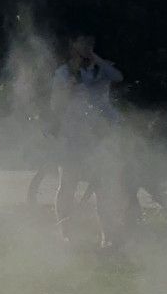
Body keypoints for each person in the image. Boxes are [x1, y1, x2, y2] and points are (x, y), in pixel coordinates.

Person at [52, 34, 122, 246]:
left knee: (102, 186)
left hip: (100, 135)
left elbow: (118, 77)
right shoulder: (64, 72)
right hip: (73, 135)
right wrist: (68, 90)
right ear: (72, 46)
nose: (86, 48)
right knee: (68, 184)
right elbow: (56, 103)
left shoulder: (102, 69)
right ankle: (65, 232)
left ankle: (107, 236)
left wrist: (96, 59)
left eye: (90, 44)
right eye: (81, 43)